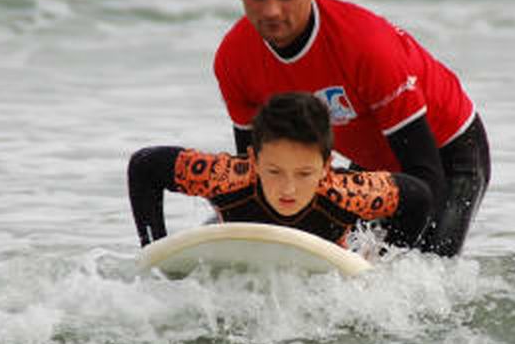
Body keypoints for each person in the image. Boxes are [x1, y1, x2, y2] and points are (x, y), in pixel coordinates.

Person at [214, 0, 491, 257]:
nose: (270, 11)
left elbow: (425, 178)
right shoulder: (234, 58)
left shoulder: (365, 46)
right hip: (371, 163)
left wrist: (387, 261)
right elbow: (255, 175)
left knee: (425, 265)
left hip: (447, 156)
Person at [128, 92, 435, 250]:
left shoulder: (347, 192)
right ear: (253, 160)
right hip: (236, 230)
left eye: (304, 174)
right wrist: (154, 251)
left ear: (326, 166)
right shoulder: (226, 176)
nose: (288, 189)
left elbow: (419, 197)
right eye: (274, 171)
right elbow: (144, 165)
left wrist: (383, 262)